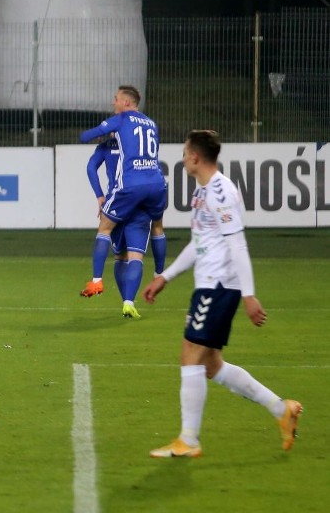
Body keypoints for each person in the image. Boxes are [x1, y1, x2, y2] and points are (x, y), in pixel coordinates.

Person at [142, 129, 302, 457]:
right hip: (210, 284)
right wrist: (166, 277)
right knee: (212, 365)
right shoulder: (202, 192)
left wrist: (249, 294)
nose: (184, 157)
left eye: (186, 152)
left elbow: (236, 242)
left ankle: (189, 439)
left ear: (196, 157)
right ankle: (281, 409)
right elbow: (200, 243)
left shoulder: (220, 192)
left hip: (218, 285)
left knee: (190, 352)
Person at [78, 85, 167, 319]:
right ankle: (144, 288)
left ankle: (97, 281)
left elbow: (85, 140)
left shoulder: (118, 125)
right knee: (144, 243)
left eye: (116, 99)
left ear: (126, 103)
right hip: (155, 185)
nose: (113, 103)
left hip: (126, 191)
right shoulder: (151, 124)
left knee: (108, 234)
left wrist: (101, 133)